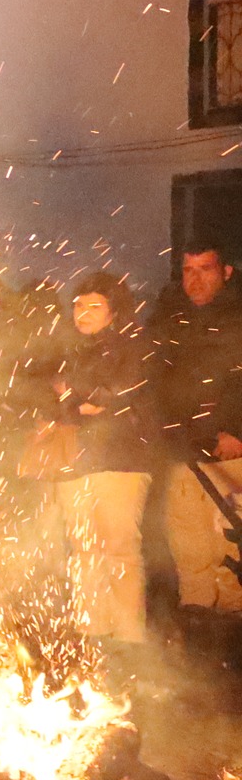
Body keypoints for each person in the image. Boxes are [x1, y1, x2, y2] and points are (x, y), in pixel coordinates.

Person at [28, 273, 156, 652]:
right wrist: (74, 401)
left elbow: (108, 398)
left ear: (114, 311)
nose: (83, 312)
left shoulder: (132, 348)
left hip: (120, 461)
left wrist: (72, 398)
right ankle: (92, 634)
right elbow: (62, 400)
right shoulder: (67, 350)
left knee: (118, 547)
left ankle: (129, 637)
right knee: (83, 549)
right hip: (75, 461)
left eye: (94, 305)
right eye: (79, 304)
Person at [150, 238, 242, 612]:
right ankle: (198, 648)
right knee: (190, 553)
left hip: (231, 458)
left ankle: (233, 648)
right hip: (183, 454)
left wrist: (237, 430)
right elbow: (155, 379)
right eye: (189, 270)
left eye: (205, 269)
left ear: (226, 272)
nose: (196, 279)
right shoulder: (170, 318)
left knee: (229, 554)